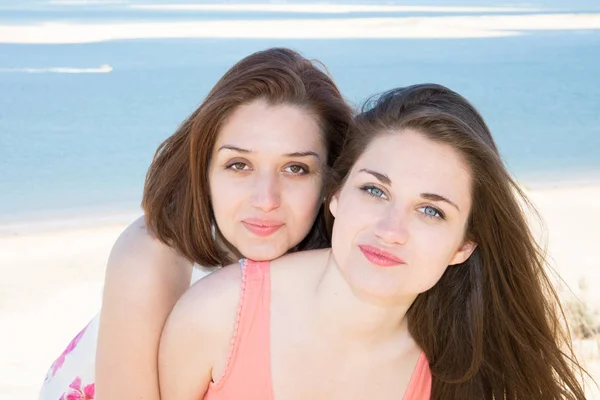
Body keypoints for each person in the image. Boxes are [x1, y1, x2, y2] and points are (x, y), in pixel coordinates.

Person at [159, 84, 589, 400]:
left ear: (463, 246)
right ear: (336, 196)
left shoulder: (462, 370)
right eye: (375, 191)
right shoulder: (218, 316)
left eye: (431, 211)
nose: (390, 229)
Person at [38, 47, 352, 400]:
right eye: (239, 165)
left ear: (332, 183)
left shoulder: (341, 271)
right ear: (204, 169)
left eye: (295, 169)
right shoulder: (152, 255)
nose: (266, 199)